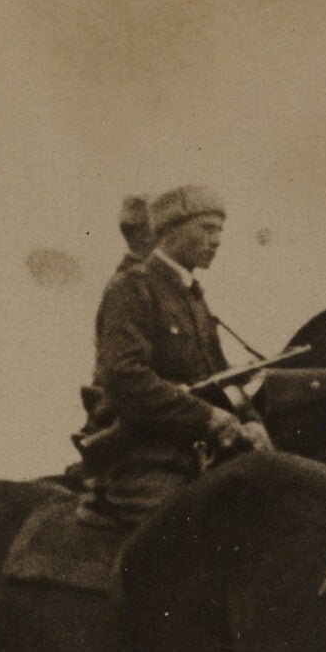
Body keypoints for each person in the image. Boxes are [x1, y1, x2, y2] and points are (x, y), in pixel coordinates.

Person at [78, 184, 265, 525]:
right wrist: (209, 418)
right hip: (142, 457)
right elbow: (125, 378)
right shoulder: (131, 288)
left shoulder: (191, 294)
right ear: (171, 232)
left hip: (193, 450)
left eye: (220, 230)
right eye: (207, 229)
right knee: (188, 531)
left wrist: (250, 422)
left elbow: (219, 375)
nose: (217, 240)